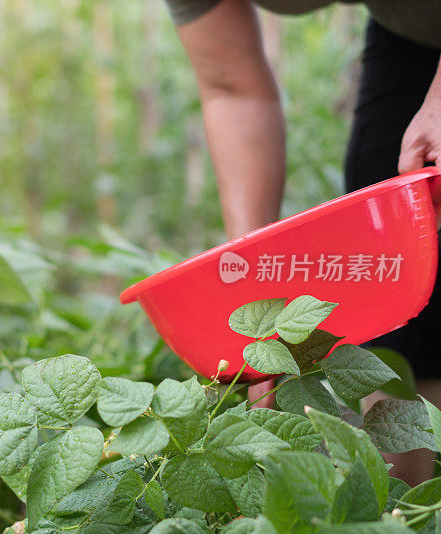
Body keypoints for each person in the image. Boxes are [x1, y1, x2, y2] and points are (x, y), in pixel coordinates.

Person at [164, 0, 441, 485]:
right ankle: (403, 504)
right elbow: (234, 90)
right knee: (387, 241)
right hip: (416, 29)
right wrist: (254, 290)